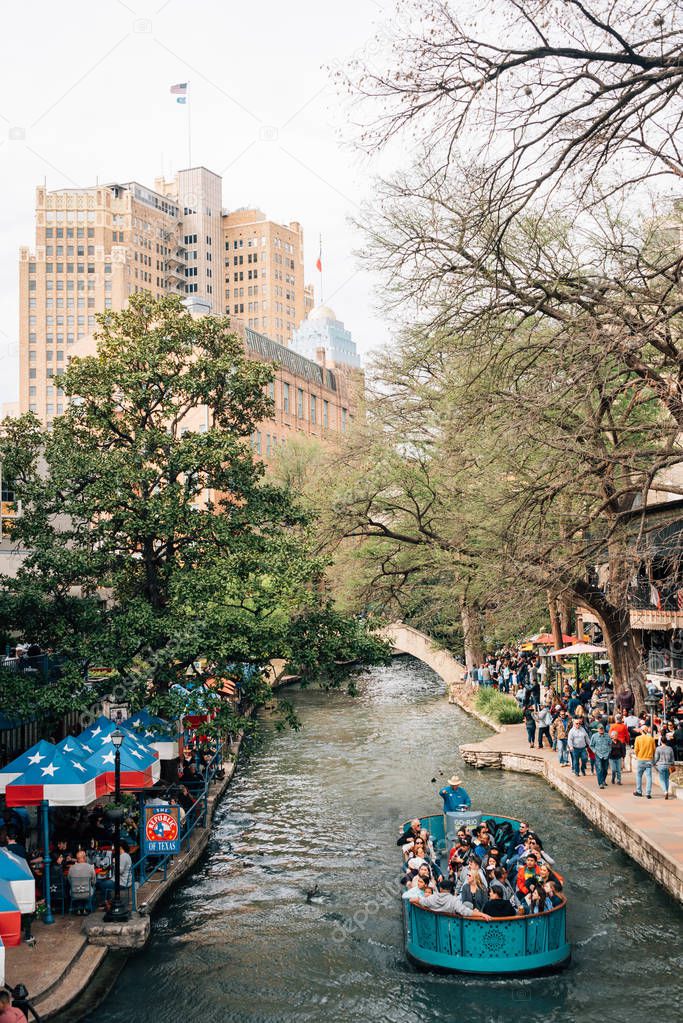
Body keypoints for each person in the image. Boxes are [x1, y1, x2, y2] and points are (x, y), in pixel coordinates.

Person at [419, 877, 490, 919]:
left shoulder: (432, 897)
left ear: (440, 889)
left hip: (434, 926)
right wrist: (481, 914)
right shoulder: (453, 900)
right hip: (449, 927)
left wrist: (413, 899)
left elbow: (419, 901)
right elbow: (465, 912)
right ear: (450, 889)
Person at [67, 849, 96, 915]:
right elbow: (94, 881)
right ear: (85, 858)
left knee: (77, 889)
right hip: (87, 893)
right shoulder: (90, 867)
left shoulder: (71, 868)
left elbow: (69, 881)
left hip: (74, 894)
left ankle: (79, 908)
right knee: (94, 887)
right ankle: (87, 907)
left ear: (77, 859)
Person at [633, 724, 657, 799]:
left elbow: (636, 749)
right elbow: (654, 749)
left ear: (642, 730)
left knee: (639, 775)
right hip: (649, 759)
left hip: (641, 758)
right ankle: (648, 793)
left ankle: (639, 791)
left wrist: (637, 756)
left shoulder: (638, 738)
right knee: (649, 776)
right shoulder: (651, 738)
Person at [590, 724, 613, 789]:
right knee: (599, 769)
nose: (601, 730)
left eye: (602, 728)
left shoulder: (607, 736)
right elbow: (591, 745)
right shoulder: (594, 736)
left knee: (605, 769)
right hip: (598, 754)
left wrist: (609, 751)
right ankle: (600, 783)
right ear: (597, 729)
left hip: (606, 754)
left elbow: (610, 744)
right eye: (600, 729)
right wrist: (594, 751)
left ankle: (603, 780)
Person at [608, 715, 629, 785]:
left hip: (618, 744)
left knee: (618, 768)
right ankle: (619, 770)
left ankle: (618, 780)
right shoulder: (624, 726)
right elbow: (627, 735)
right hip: (622, 743)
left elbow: (609, 734)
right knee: (617, 767)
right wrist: (627, 741)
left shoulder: (613, 726)